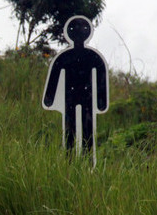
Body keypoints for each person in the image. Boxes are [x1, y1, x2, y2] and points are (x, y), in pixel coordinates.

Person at [42, 15, 108, 164]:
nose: (78, 32)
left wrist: (101, 100)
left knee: (87, 129)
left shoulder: (90, 56)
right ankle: (70, 161)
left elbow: (101, 76)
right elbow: (54, 76)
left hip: (86, 97)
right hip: (71, 97)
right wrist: (49, 98)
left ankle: (87, 162)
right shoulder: (66, 57)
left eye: (82, 28)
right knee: (70, 130)